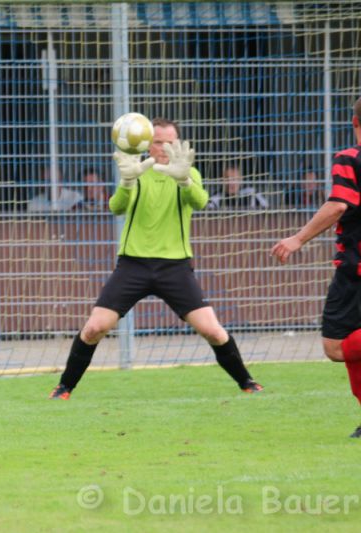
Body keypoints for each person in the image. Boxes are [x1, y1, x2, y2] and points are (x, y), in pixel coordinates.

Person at [49, 117, 262, 400]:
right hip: (133, 265)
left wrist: (184, 179)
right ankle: (64, 388)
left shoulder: (188, 172)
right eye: (158, 142)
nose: (163, 147)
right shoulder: (136, 170)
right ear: (147, 145)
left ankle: (247, 382)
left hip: (175, 267)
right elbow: (116, 207)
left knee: (213, 331)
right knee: (95, 328)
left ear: (178, 144)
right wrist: (127, 181)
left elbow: (200, 202)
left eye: (169, 142)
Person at [271, 96, 361, 439]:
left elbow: (338, 205)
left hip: (355, 270)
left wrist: (298, 238)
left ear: (353, 122)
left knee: (336, 346)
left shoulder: (349, 158)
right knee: (352, 347)